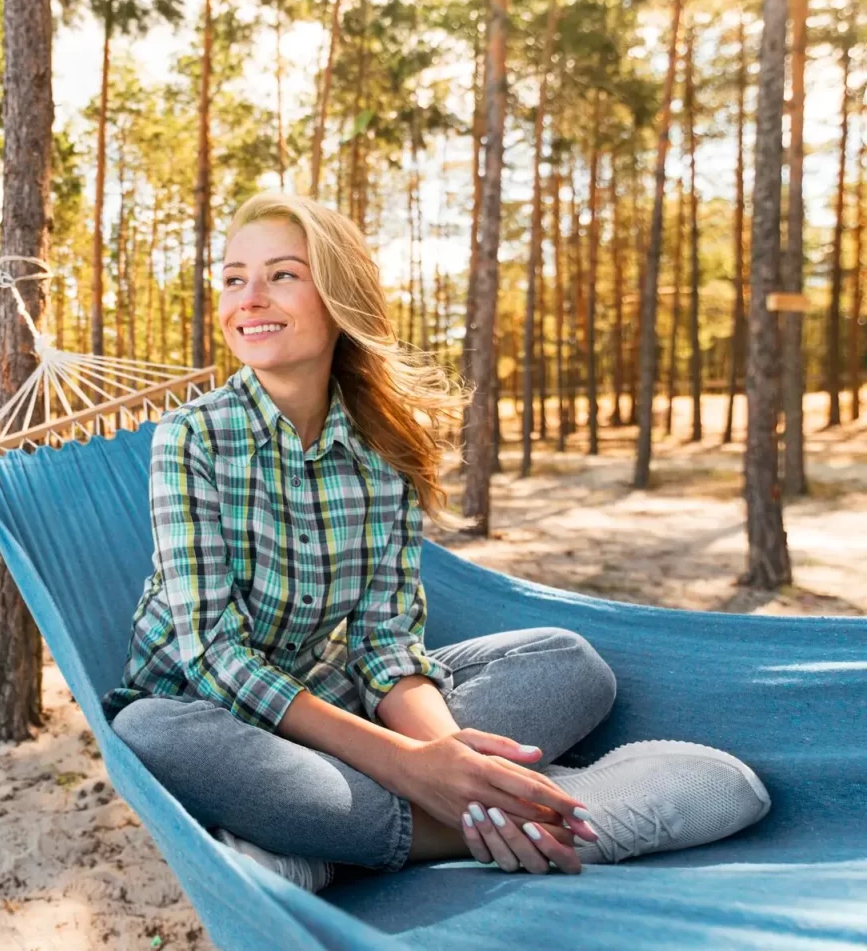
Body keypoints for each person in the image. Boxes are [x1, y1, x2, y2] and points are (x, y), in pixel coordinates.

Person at [103, 192, 770, 888]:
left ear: (339, 297)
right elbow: (212, 655)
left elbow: (382, 643)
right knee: (149, 729)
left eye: (282, 274)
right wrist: (410, 765)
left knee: (568, 662)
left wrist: (445, 753)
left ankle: (320, 846)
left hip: (329, 706)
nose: (249, 298)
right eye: (234, 277)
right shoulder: (192, 437)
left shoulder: (382, 449)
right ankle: (550, 820)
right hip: (215, 717)